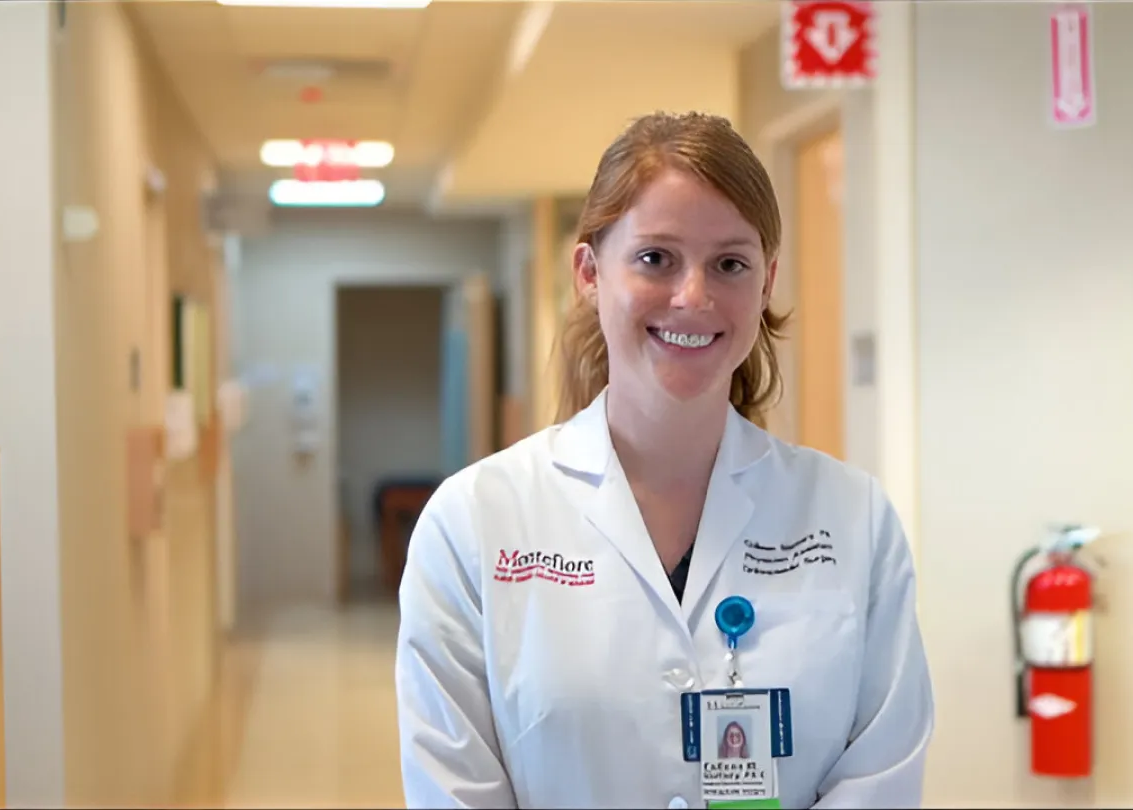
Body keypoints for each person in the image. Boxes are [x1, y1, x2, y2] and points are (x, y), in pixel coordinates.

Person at [395, 111, 934, 810]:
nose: (693, 296)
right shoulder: (474, 521)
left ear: (766, 282)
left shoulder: (853, 519)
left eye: (729, 264)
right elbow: (454, 791)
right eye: (656, 259)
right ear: (589, 273)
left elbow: (881, 779)